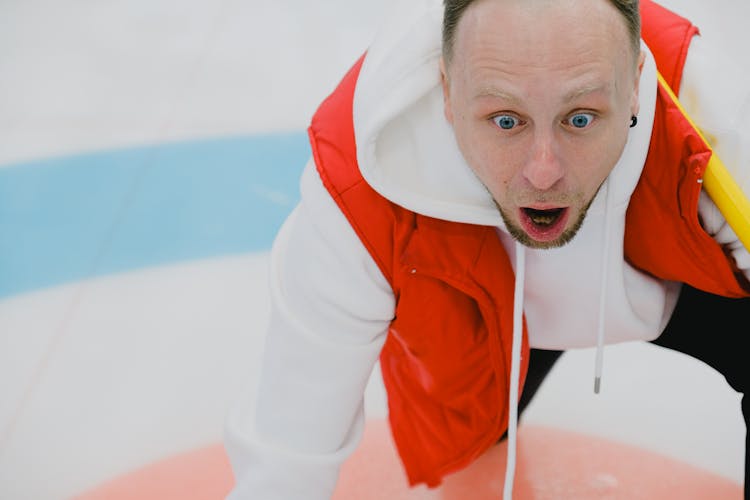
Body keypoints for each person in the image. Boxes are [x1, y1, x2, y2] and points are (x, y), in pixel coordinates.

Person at [224, 0, 750, 498]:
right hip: (488, 306)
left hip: (672, 272)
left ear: (636, 84)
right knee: (479, 437)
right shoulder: (359, 184)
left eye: (581, 117)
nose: (543, 172)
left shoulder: (713, 118)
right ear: (447, 91)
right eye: (505, 120)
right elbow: (288, 446)